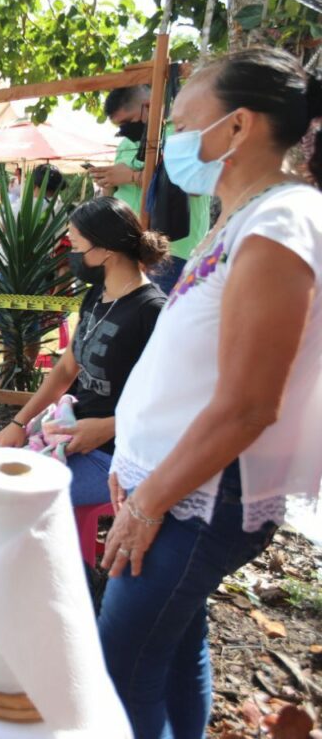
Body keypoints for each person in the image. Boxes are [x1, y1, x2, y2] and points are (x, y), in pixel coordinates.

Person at [97, 47, 322, 738]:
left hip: (197, 500)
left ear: (237, 127)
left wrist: (150, 499)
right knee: (173, 647)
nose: (169, 140)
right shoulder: (240, 216)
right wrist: (131, 462)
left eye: (187, 118)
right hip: (172, 485)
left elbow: (251, 401)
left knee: (119, 673)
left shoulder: (280, 223)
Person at [0, 197, 168, 505]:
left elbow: (172, 403)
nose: (72, 255)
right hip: (69, 435)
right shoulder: (96, 296)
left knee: (12, 498)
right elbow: (65, 368)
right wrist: (18, 423)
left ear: (106, 249)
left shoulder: (151, 311)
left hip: (115, 456)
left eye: (75, 246)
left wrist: (107, 427)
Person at [92, 84, 212, 293]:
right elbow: (114, 195)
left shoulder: (181, 133)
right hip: (129, 250)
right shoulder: (125, 144)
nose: (125, 130)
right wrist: (108, 181)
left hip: (172, 251)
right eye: (119, 126)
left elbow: (196, 185)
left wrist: (132, 176)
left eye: (128, 121)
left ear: (149, 106)